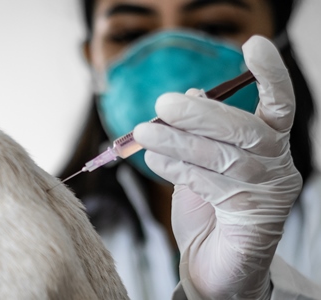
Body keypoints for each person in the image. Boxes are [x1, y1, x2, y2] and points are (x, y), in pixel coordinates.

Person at [58, 0, 321, 298]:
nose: (169, 58)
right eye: (129, 33)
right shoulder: (46, 236)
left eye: (215, 26)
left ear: (278, 46)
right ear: (91, 56)